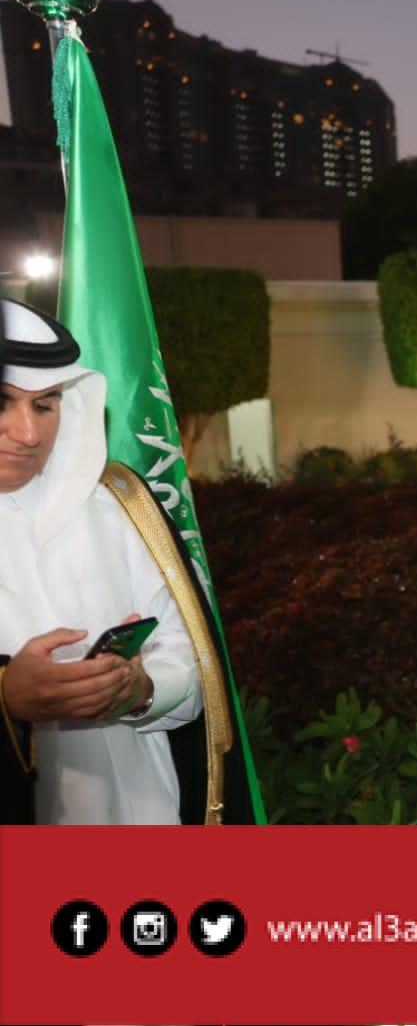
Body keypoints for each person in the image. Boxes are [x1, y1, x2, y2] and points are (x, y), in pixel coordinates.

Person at [1, 297, 240, 824]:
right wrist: (7, 698)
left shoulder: (118, 504)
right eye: (3, 402)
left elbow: (189, 659)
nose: (28, 433)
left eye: (45, 405)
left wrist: (140, 690)